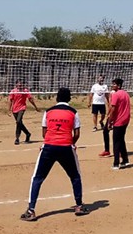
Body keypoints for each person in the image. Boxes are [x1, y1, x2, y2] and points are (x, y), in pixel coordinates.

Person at [20, 87, 89, 221]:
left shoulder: (48, 112)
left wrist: (51, 140)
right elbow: (77, 134)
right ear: (69, 98)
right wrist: (70, 142)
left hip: (49, 147)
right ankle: (79, 206)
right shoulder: (74, 112)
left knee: (37, 178)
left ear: (57, 98)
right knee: (75, 176)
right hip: (66, 147)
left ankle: (31, 210)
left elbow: (44, 133)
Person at [106, 78, 131, 170]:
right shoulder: (126, 94)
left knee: (116, 142)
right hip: (126, 120)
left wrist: (110, 121)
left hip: (119, 121)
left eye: (114, 84)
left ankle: (116, 163)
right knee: (121, 140)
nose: (112, 86)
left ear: (119, 86)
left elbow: (113, 109)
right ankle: (125, 160)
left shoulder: (116, 95)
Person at [9, 80, 39, 145]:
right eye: (18, 84)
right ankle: (28, 134)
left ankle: (17, 138)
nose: (20, 85)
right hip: (14, 109)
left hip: (22, 108)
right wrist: (9, 110)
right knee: (19, 123)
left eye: (21, 84)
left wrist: (35, 107)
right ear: (16, 85)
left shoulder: (25, 91)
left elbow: (30, 99)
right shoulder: (13, 91)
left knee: (18, 121)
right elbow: (11, 101)